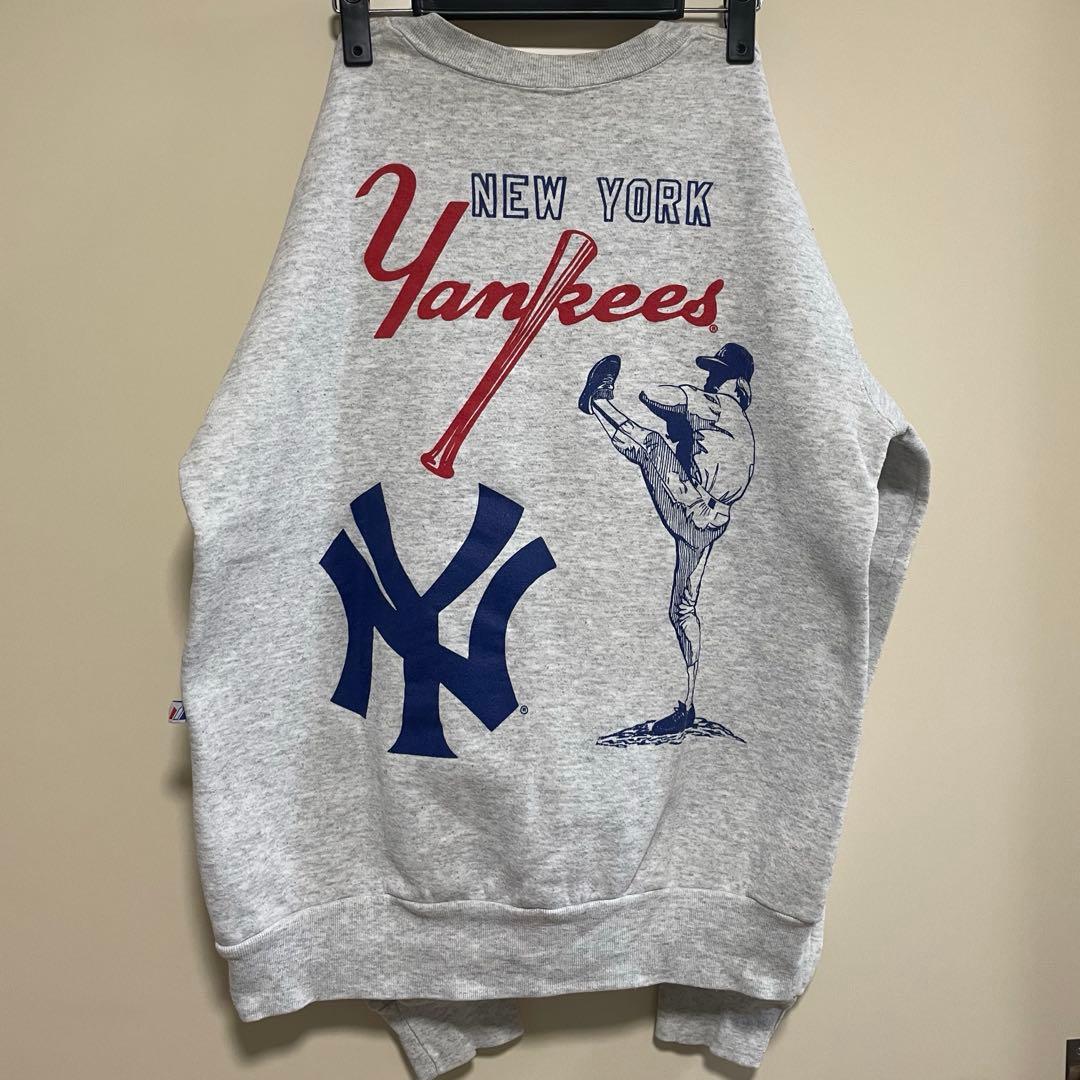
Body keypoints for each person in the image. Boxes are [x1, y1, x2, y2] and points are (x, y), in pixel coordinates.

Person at [578, 343, 757, 738]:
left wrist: (685, 408)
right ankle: (687, 705)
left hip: (694, 507)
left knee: (651, 445)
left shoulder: (717, 405)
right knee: (683, 610)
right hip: (715, 519)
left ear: (737, 382)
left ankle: (598, 401)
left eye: (719, 373)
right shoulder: (741, 422)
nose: (711, 378)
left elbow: (653, 395)